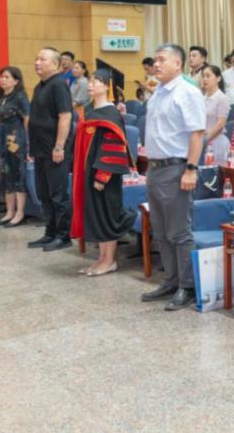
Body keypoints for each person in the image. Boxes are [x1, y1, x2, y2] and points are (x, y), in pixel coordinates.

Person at [141, 44, 207, 311]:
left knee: (179, 232)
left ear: (178, 64)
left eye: (162, 60)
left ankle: (187, 287)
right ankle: (171, 280)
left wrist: (191, 169)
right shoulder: (158, 92)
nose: (156, 64)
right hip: (155, 168)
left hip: (176, 168)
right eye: (155, 60)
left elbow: (197, 133)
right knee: (160, 230)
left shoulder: (187, 92)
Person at [71, 70, 137, 276]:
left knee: (107, 216)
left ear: (107, 86)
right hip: (88, 171)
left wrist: (103, 175)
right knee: (96, 215)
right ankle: (101, 258)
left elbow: (114, 146)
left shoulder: (111, 114)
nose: (91, 85)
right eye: (90, 81)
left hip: (104, 175)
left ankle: (110, 261)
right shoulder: (89, 110)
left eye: (96, 81)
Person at [26, 48, 75, 252]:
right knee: (44, 193)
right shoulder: (40, 86)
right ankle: (50, 232)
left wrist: (59, 146)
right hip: (40, 149)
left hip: (55, 150)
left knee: (58, 194)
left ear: (55, 64)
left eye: (42, 59)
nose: (37, 62)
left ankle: (63, 236)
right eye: (36, 58)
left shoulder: (58, 85)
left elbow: (65, 116)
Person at [0, 66, 29, 228]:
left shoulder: (20, 97)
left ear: (16, 81)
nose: (3, 80)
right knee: (5, 176)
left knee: (17, 175)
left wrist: (29, 143)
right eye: (2, 76)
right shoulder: (1, 97)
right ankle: (9, 212)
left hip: (14, 142)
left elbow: (27, 120)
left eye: (7, 77)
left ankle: (20, 213)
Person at [201, 65, 231, 166]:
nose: (205, 79)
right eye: (203, 76)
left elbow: (220, 124)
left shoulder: (221, 98)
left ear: (218, 78)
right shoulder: (202, 98)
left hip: (217, 142)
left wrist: (205, 140)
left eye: (208, 76)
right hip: (203, 142)